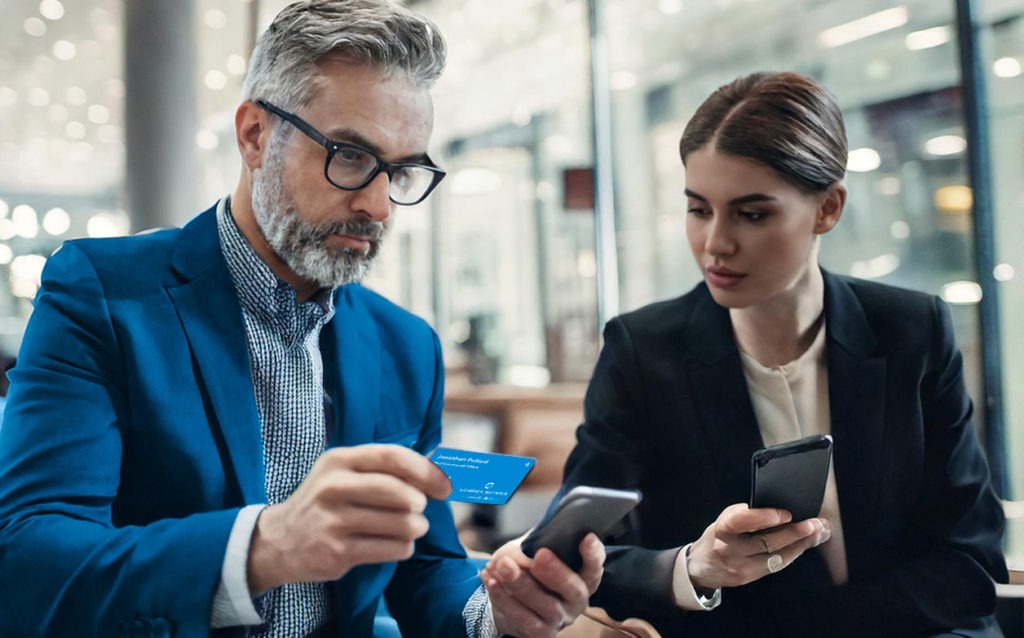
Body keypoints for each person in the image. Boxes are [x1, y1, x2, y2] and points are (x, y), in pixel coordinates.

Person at [0, 2, 603, 636]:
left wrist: (495, 610)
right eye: (348, 155)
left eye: (400, 170)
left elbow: (425, 567)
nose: (376, 204)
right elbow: (29, 559)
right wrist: (266, 546)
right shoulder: (104, 294)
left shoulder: (405, 347)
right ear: (255, 135)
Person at [486, 71, 1008, 637]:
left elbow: (969, 559)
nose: (715, 243)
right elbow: (586, 557)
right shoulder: (644, 351)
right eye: (699, 209)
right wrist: (695, 567)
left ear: (828, 208)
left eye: (751, 214)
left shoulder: (912, 330)